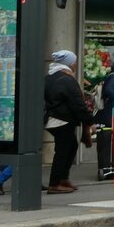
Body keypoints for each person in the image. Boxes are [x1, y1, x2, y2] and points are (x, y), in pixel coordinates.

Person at [44, 50, 95, 194]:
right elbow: (78, 104)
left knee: (71, 145)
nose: (75, 64)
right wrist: (90, 121)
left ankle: (63, 179)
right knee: (63, 150)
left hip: (52, 119)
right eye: (74, 62)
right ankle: (55, 183)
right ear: (68, 63)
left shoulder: (49, 77)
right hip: (62, 120)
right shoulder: (67, 80)